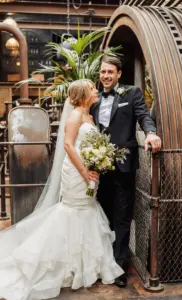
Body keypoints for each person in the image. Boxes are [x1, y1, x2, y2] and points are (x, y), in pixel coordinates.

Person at [0, 79, 124, 300]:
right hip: (76, 172)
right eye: (92, 89)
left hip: (88, 169)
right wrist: (85, 171)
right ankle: (65, 264)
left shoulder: (89, 115)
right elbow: (68, 145)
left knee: (88, 209)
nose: (96, 91)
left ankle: (86, 266)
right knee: (72, 211)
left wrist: (97, 162)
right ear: (83, 94)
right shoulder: (75, 115)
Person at [90, 55, 161, 288]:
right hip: (99, 168)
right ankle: (102, 262)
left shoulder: (131, 94)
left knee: (122, 217)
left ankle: (118, 268)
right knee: (103, 216)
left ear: (119, 74)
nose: (106, 76)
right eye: (103, 72)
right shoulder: (95, 99)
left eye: (110, 72)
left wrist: (150, 133)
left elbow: (143, 117)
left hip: (124, 167)